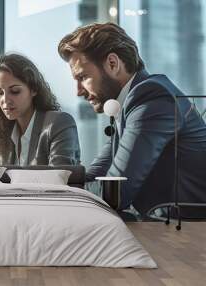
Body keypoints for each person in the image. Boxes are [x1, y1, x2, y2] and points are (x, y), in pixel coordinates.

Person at [58, 22, 206, 217]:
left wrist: (66, 192)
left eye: (83, 77)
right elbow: (93, 176)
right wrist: (53, 182)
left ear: (113, 63)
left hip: (188, 237)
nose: (78, 92)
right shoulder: (131, 104)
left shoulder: (151, 98)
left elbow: (116, 193)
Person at [0, 53, 81, 166]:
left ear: (33, 89)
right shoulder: (3, 133)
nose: (5, 100)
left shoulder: (58, 123)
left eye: (15, 91)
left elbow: (58, 178)